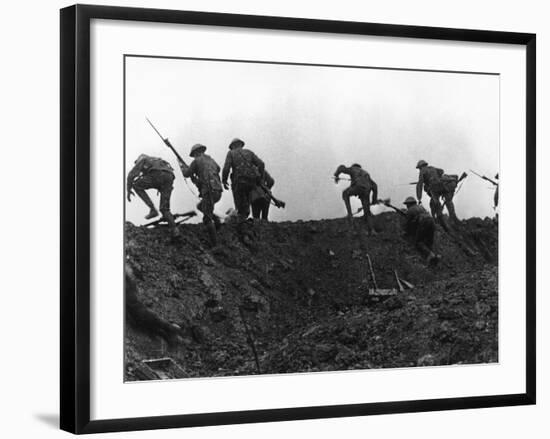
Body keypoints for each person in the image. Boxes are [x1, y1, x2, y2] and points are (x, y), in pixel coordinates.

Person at [178, 144, 223, 246]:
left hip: (209, 191)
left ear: (196, 153)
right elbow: (218, 169)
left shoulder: (196, 161)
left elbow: (187, 173)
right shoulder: (211, 160)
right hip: (218, 191)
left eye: (194, 155)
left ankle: (215, 245)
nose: (194, 157)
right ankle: (217, 222)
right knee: (200, 206)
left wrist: (182, 166)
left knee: (207, 219)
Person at [127, 154, 179, 237]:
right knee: (164, 208)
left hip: (157, 175)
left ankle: (153, 210)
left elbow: (131, 175)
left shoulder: (142, 159)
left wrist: (128, 190)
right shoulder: (158, 160)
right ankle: (174, 229)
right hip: (169, 177)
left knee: (136, 185)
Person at [222, 138, 265, 221]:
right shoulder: (249, 152)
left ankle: (241, 224)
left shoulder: (231, 153)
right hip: (251, 183)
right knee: (246, 204)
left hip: (239, 183)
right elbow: (261, 164)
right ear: (241, 145)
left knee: (240, 206)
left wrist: (224, 180)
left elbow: (227, 167)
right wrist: (260, 179)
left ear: (233, 146)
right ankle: (244, 219)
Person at [333, 163, 378, 235]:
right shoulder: (366, 174)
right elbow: (375, 186)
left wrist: (336, 175)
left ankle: (350, 214)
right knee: (367, 211)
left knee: (345, 193)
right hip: (366, 190)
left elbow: (341, 168)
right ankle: (372, 230)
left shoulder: (353, 169)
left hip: (358, 187)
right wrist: (374, 199)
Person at [415, 159, 459, 228]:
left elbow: (420, 184)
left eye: (419, 168)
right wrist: (436, 177)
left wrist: (419, 198)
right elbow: (441, 171)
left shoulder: (422, 171)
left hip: (434, 188)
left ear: (420, 166)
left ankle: (440, 219)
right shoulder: (432, 168)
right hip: (441, 185)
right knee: (448, 201)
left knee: (436, 203)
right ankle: (452, 217)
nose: (419, 169)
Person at [402, 196, 440, 265]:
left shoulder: (410, 210)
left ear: (409, 204)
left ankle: (431, 255)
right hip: (431, 222)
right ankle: (433, 257)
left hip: (424, 222)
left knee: (418, 242)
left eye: (407, 204)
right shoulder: (421, 207)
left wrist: (406, 232)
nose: (406, 206)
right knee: (429, 242)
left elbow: (407, 224)